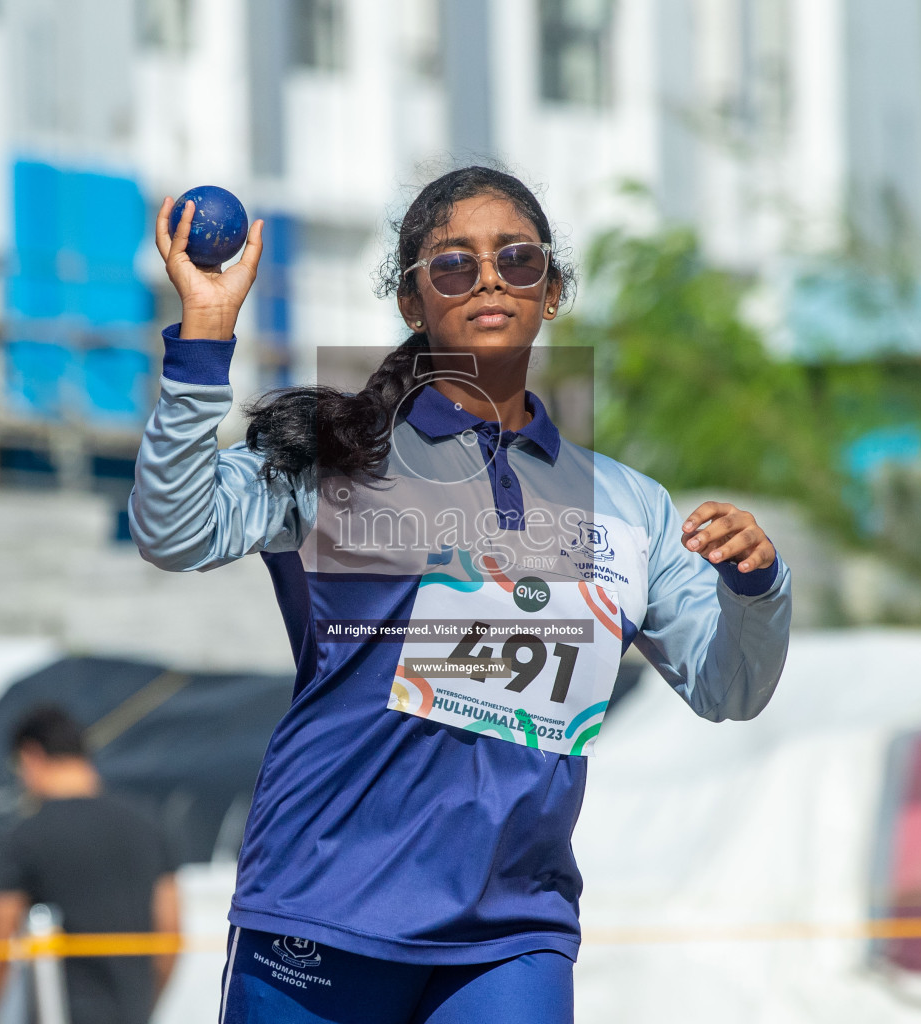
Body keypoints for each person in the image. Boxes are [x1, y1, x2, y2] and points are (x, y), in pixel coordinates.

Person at [130, 166, 792, 1023]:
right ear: (412, 302)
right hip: (326, 904)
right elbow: (174, 530)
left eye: (517, 260)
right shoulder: (339, 455)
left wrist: (756, 587)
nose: (488, 277)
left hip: (512, 930)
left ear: (551, 292)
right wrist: (205, 338)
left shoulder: (631, 507)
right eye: (453, 264)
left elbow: (729, 686)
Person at [0, 705, 182, 1024]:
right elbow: (170, 929)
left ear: (31, 756)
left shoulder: (27, 835)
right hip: (134, 1014)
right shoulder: (146, 826)